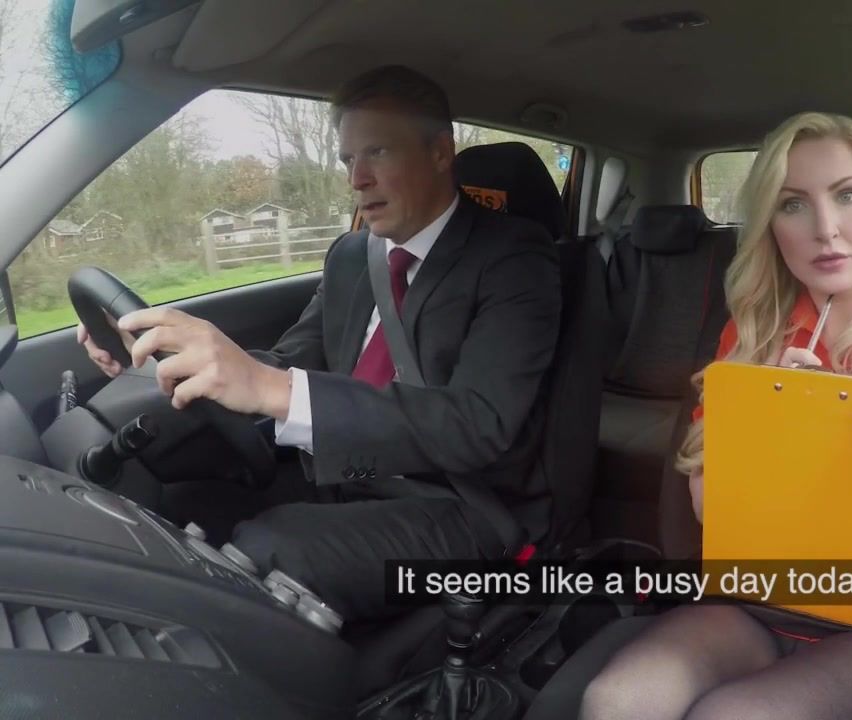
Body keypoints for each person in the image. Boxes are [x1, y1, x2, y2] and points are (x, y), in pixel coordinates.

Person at [579, 112, 852, 720]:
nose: (826, 229)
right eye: (793, 205)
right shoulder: (751, 340)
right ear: (771, 227)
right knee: (615, 702)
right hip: (758, 593)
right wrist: (763, 432)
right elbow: (706, 512)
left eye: (848, 195)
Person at [77, 65, 562, 621]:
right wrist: (165, 352)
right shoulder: (353, 256)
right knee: (173, 497)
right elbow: (290, 362)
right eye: (348, 159)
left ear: (439, 153)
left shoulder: (514, 258)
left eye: (377, 152)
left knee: (272, 551)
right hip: (345, 474)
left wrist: (272, 388)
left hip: (461, 503)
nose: (357, 179)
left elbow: (478, 424)